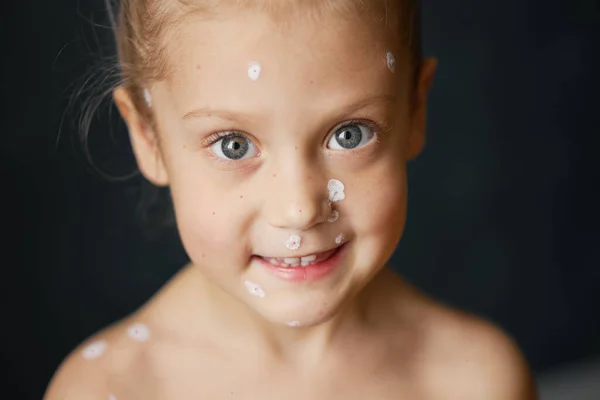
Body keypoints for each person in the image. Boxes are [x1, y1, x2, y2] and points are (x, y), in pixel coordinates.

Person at [45, 0, 537, 398]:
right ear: (147, 137)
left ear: (415, 109)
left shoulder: (477, 381)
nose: (299, 209)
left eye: (349, 134)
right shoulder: (105, 390)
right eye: (233, 144)